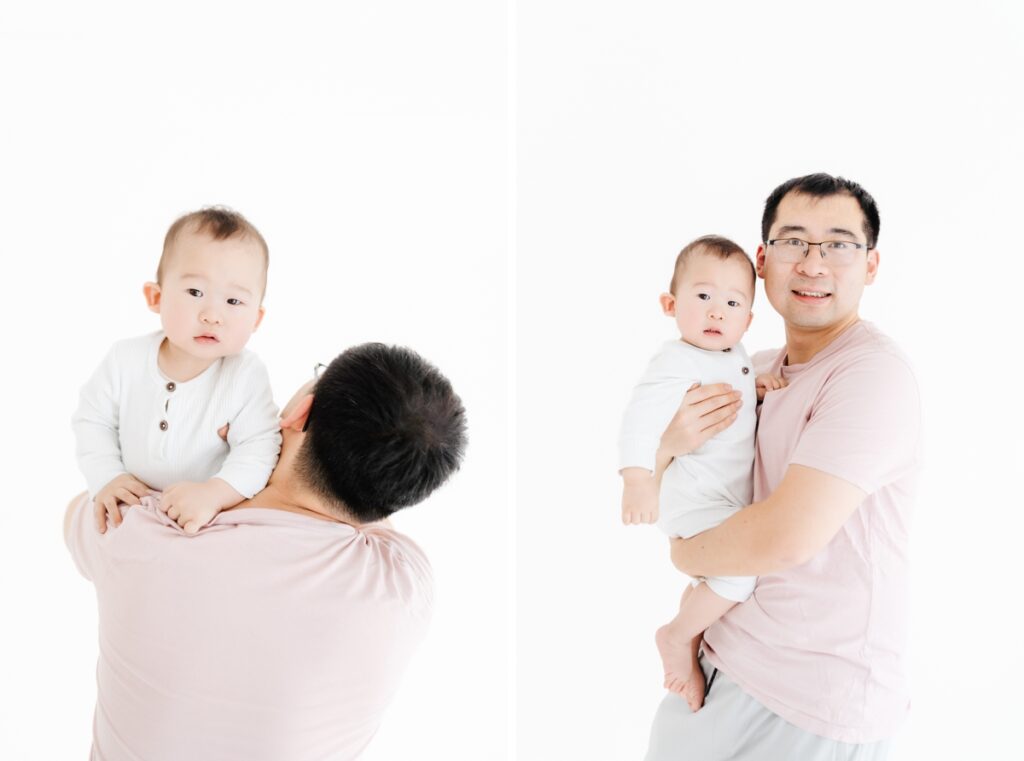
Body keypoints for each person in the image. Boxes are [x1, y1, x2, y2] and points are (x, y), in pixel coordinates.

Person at [64, 342, 467, 761]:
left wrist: (221, 468)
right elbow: (373, 499)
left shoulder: (141, 533)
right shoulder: (405, 588)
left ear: (300, 413)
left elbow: (78, 512)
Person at [644, 174, 921, 761]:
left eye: (840, 244)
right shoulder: (753, 370)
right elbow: (667, 467)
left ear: (871, 266)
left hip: (815, 700)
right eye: (794, 241)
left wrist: (683, 553)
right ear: (763, 260)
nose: (814, 264)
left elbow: (786, 539)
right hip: (718, 663)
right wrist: (669, 442)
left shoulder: (871, 376)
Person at [617, 235, 784, 709]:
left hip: (723, 498)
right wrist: (636, 479)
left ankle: (686, 631)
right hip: (695, 496)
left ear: (748, 319)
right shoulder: (674, 360)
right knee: (739, 578)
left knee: (716, 578)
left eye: (732, 302)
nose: (717, 312)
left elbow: (734, 402)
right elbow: (639, 420)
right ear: (671, 304)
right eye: (703, 296)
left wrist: (759, 388)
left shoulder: (738, 359)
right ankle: (676, 635)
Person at [72, 207, 280, 535]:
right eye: (195, 292)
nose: (212, 314)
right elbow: (93, 421)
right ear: (156, 296)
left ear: (256, 319)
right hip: (132, 505)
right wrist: (107, 476)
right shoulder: (125, 359)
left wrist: (215, 492)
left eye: (234, 302)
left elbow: (260, 447)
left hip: (210, 517)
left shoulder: (245, 375)